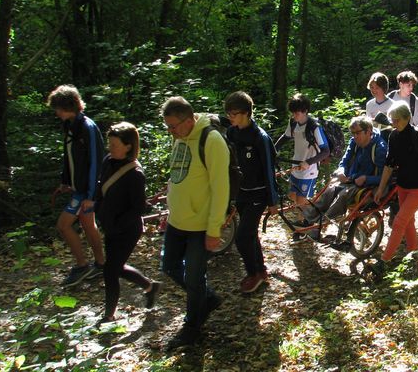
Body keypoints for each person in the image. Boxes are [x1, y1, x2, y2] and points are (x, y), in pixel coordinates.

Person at [160, 96, 229, 348]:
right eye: (167, 127)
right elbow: (178, 177)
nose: (171, 132)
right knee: (169, 266)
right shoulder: (179, 138)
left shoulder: (211, 140)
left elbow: (221, 188)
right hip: (177, 221)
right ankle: (207, 300)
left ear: (189, 120)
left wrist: (213, 229)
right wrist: (170, 210)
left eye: (174, 126)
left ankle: (192, 328)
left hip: (200, 226)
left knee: (194, 278)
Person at [84, 122, 161, 323]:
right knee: (115, 267)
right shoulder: (108, 161)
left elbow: (137, 208)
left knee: (110, 271)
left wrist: (117, 223)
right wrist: (99, 210)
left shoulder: (135, 174)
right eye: (110, 144)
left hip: (127, 230)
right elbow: (101, 187)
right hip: (110, 226)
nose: (111, 148)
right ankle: (150, 286)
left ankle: (109, 315)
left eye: (115, 144)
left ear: (128, 146)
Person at [47, 85, 105, 287]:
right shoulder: (71, 126)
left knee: (63, 225)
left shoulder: (87, 127)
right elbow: (70, 158)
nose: (56, 112)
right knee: (89, 225)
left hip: (85, 191)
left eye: (57, 108)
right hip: (78, 188)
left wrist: (91, 195)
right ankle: (101, 264)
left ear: (66, 106)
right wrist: (65, 182)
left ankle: (82, 265)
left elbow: (96, 163)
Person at [224, 91, 279, 294]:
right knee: (250, 233)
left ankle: (253, 273)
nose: (231, 117)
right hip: (242, 192)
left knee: (242, 237)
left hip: (259, 194)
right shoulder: (233, 133)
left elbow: (268, 169)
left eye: (234, 113)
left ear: (246, 113)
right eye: (228, 114)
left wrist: (273, 201)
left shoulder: (260, 138)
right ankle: (261, 270)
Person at [373, 102, 418, 264]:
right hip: (403, 185)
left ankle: (384, 260)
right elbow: (389, 165)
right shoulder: (394, 136)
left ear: (407, 118)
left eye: (397, 120)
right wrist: (381, 188)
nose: (394, 123)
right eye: (392, 120)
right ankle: (413, 251)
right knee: (408, 220)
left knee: (399, 222)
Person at [300, 117, 386, 235]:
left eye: (358, 133)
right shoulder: (354, 142)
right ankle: (307, 220)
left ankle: (321, 225)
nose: (355, 136)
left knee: (342, 196)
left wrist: (367, 178)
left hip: (368, 185)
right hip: (351, 180)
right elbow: (344, 161)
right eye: (353, 133)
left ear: (369, 131)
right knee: (330, 190)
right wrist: (341, 170)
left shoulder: (380, 148)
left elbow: (385, 177)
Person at [274, 93, 329, 239]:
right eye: (292, 112)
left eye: (297, 112)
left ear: (305, 111)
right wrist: (273, 150)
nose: (294, 115)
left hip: (309, 170)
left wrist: (308, 162)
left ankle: (305, 229)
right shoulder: (293, 123)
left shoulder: (314, 127)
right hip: (295, 168)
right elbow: (285, 137)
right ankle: (303, 223)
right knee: (293, 197)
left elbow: (326, 151)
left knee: (301, 201)